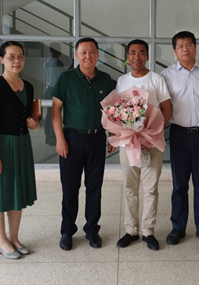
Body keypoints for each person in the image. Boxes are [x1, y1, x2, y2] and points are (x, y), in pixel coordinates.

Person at [160, 31, 199, 247]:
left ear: (195, 48)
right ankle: (178, 227)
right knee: (179, 184)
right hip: (178, 134)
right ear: (175, 51)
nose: (185, 49)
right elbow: (163, 106)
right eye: (180, 46)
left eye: (189, 45)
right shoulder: (166, 75)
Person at [0, 41, 39, 259]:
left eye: (20, 56)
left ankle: (14, 237)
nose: (16, 61)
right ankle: (1, 240)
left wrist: (33, 124)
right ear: (1, 60)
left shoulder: (28, 87)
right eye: (11, 57)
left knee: (16, 191)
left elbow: (31, 122)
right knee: (0, 192)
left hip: (22, 144)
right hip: (1, 146)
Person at [52, 37, 114, 251]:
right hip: (71, 139)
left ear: (98, 54)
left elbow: (113, 111)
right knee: (70, 188)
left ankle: (92, 229)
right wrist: (60, 139)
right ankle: (67, 231)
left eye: (92, 52)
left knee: (94, 187)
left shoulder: (106, 80)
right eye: (83, 52)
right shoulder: (66, 78)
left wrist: (114, 135)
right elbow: (56, 110)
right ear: (76, 55)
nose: (88, 56)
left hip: (97, 138)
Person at [114, 39, 172, 251]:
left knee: (150, 188)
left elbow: (167, 109)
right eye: (132, 52)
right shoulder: (122, 80)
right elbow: (117, 111)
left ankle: (148, 231)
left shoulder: (157, 79)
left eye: (141, 53)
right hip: (128, 143)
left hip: (151, 143)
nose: (136, 56)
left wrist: (152, 134)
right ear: (127, 57)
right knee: (130, 187)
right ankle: (131, 230)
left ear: (147, 56)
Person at [43, 43, 65, 145]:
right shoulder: (58, 63)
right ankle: (53, 137)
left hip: (48, 89)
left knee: (48, 114)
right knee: (55, 115)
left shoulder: (46, 62)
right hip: (55, 90)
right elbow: (62, 78)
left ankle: (48, 135)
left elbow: (44, 77)